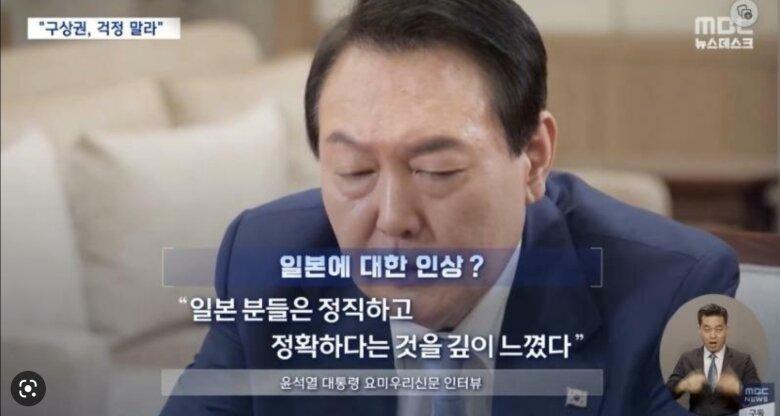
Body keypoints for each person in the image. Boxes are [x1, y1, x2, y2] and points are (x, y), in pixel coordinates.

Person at [160, 0, 739, 414]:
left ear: (533, 159)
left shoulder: (680, 291)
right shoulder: (266, 265)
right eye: (355, 172)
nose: (393, 218)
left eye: (435, 170)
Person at [666, 304, 761, 416]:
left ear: (726, 329)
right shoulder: (687, 358)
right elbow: (666, 393)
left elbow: (760, 401)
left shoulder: (744, 360)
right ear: (699, 330)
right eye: (707, 329)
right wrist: (683, 385)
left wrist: (738, 388)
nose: (713, 335)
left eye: (718, 329)